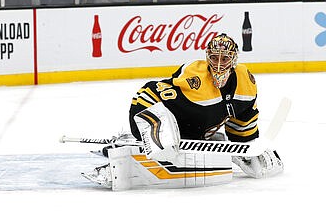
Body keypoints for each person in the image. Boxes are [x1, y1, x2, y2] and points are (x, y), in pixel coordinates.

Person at [84, 34, 284, 188]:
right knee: (166, 150)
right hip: (148, 107)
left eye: (225, 59)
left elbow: (243, 118)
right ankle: (136, 147)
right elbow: (158, 99)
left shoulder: (245, 83)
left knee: (199, 144)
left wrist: (246, 148)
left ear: (234, 61)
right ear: (207, 58)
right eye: (214, 58)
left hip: (192, 127)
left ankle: (156, 143)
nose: (219, 64)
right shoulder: (195, 78)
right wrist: (159, 133)